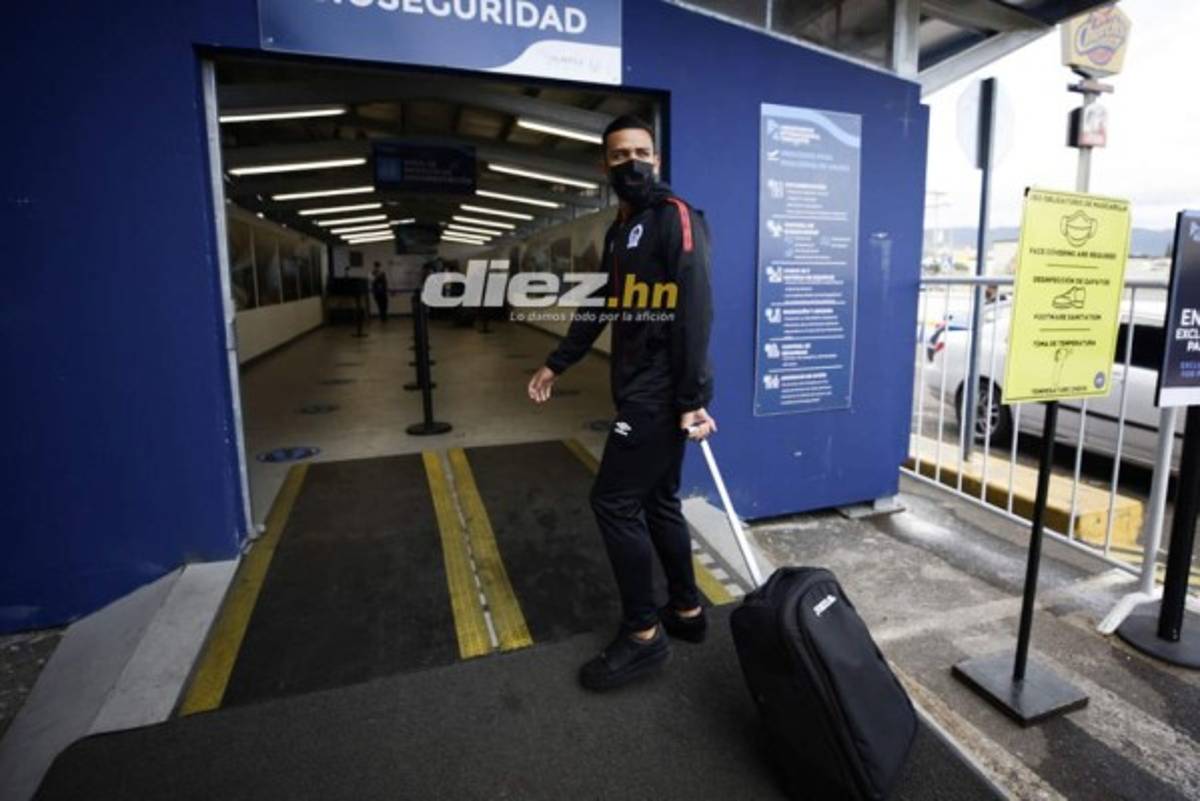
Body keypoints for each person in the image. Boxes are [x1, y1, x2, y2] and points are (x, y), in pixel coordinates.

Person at [527, 114, 716, 692]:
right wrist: (558, 361)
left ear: (656, 158)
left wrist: (691, 399)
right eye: (619, 155)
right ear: (604, 165)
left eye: (641, 152)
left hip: (660, 394)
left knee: (612, 502)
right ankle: (685, 611)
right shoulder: (620, 229)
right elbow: (603, 303)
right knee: (659, 499)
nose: (631, 163)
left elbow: (695, 310)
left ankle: (642, 635)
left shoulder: (674, 217)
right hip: (639, 387)